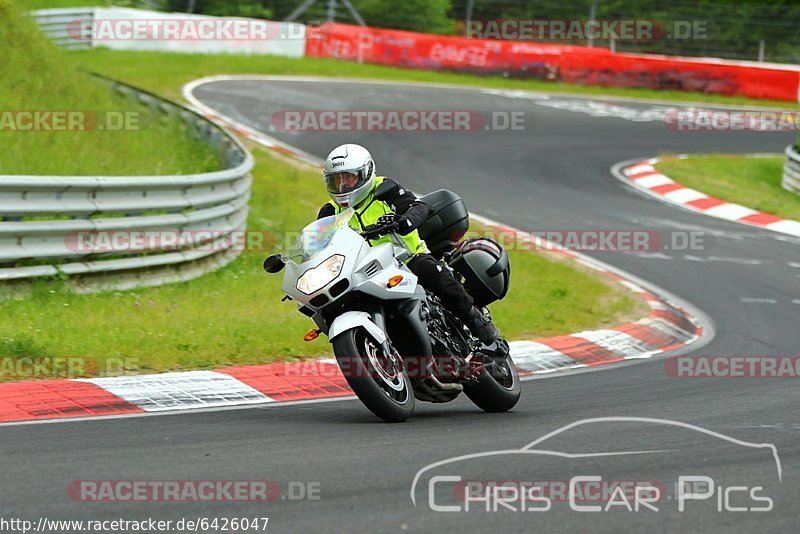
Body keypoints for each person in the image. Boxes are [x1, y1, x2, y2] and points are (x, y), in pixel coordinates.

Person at [317, 143, 499, 345]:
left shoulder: (385, 189)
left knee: (434, 274)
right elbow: (320, 242)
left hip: (407, 257)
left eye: (348, 177)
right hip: (365, 269)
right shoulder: (330, 212)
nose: (343, 185)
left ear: (364, 173)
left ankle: (475, 320)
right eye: (337, 179)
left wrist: (407, 220)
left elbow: (417, 205)